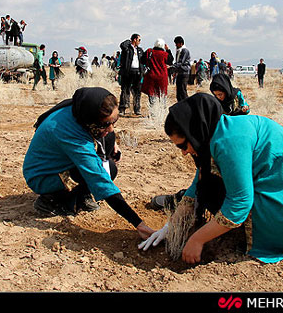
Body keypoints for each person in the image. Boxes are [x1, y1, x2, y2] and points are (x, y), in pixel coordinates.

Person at [140, 93, 283, 264]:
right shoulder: (219, 132)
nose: (183, 153)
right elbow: (198, 183)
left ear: (196, 131)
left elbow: (240, 202)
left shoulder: (228, 142)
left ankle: (262, 237)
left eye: (182, 145)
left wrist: (197, 239)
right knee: (210, 185)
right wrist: (171, 226)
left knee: (222, 192)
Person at [22, 87, 155, 239]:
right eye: (106, 124)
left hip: (62, 162)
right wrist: (138, 223)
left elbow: (103, 135)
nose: (111, 128)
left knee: (109, 162)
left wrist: (113, 143)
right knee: (101, 173)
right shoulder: (69, 133)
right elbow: (99, 179)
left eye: (114, 121)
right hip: (42, 175)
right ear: (90, 120)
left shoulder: (79, 110)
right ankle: (51, 200)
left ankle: (81, 195)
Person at [140, 38, 173, 106]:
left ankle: (153, 111)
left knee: (152, 94)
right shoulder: (165, 54)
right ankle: (162, 111)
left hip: (151, 76)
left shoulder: (149, 51)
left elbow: (142, 60)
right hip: (162, 77)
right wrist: (168, 50)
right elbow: (171, 61)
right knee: (162, 94)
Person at [118, 34, 144, 116]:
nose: (140, 42)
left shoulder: (140, 50)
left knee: (137, 91)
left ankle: (137, 109)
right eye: (139, 40)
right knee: (125, 90)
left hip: (138, 72)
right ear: (135, 40)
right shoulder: (126, 49)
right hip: (128, 72)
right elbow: (122, 45)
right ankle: (122, 109)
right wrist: (130, 41)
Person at [172, 36, 191, 102]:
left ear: (181, 43)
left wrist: (172, 67)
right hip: (180, 73)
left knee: (183, 91)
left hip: (184, 73)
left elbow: (180, 62)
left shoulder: (184, 51)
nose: (175, 45)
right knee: (179, 92)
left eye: (176, 43)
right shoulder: (179, 51)